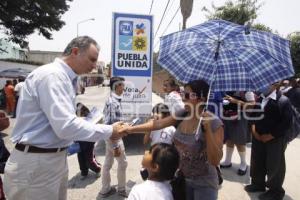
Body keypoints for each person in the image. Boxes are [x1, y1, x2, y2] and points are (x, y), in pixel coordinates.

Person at [3, 36, 127, 200]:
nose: (94, 65)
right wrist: (110, 130)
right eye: (92, 59)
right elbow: (65, 126)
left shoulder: (64, 78)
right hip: (37, 164)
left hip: (51, 160)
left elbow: (61, 121)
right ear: (75, 52)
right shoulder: (53, 76)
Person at [125, 79, 224, 200]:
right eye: (183, 94)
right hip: (182, 180)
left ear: (202, 99)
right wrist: (129, 129)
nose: (183, 99)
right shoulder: (182, 114)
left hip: (205, 184)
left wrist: (207, 130)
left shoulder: (214, 123)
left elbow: (215, 160)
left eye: (187, 95)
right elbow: (157, 124)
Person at [245, 83, 293, 200]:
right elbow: (253, 116)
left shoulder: (283, 101)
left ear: (275, 85)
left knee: (275, 164)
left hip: (275, 139)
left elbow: (286, 123)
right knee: (257, 160)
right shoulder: (260, 98)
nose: (262, 86)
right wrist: (253, 130)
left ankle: (275, 191)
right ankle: (258, 183)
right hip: (258, 136)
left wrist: (271, 135)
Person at [100, 76, 128, 198]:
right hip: (114, 138)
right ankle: (121, 189)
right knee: (123, 163)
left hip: (110, 137)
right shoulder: (113, 102)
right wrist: (114, 140)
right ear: (116, 86)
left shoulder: (113, 100)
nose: (124, 87)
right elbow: (109, 123)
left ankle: (105, 189)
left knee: (108, 163)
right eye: (122, 85)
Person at [220, 91, 255, 175]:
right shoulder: (226, 88)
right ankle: (228, 161)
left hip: (240, 117)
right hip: (227, 115)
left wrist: (236, 101)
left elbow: (252, 104)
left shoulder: (247, 90)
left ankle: (243, 163)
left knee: (239, 141)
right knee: (229, 138)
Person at [75, 103, 101, 179]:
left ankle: (97, 169)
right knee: (81, 159)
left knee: (90, 159)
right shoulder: (74, 115)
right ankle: (84, 172)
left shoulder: (87, 117)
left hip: (88, 142)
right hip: (79, 141)